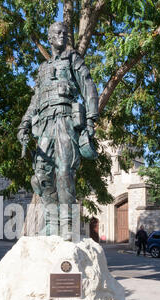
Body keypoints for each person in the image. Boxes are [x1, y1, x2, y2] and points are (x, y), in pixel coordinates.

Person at [17, 22, 99, 241]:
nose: (62, 35)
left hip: (65, 121)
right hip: (44, 125)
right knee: (39, 177)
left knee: (64, 172)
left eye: (65, 33)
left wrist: (91, 120)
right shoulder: (43, 69)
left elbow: (89, 87)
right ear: (49, 38)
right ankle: (52, 224)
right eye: (57, 33)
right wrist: (24, 124)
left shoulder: (74, 60)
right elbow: (35, 100)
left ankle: (68, 226)